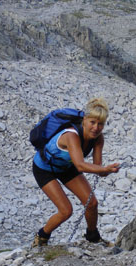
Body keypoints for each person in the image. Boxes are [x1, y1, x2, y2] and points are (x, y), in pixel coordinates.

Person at [31, 98, 120, 247]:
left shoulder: (98, 139)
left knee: (92, 203)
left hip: (66, 166)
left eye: (100, 124)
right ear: (84, 120)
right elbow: (80, 165)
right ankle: (41, 238)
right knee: (66, 211)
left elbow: (97, 168)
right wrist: (104, 169)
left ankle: (93, 237)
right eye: (92, 122)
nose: (96, 128)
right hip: (44, 168)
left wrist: (108, 170)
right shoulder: (71, 135)